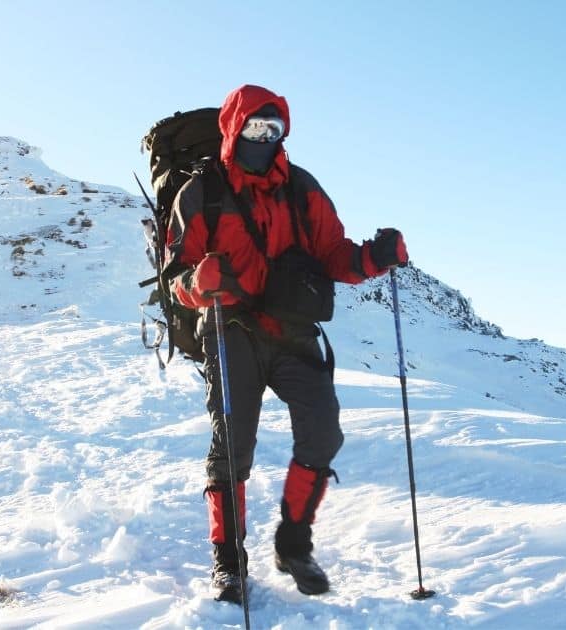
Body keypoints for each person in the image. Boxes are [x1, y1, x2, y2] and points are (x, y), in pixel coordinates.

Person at [164, 84, 409, 600]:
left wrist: (374, 258)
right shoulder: (201, 193)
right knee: (233, 447)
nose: (265, 137)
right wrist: (197, 283)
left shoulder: (302, 189)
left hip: (292, 328)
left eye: (274, 130)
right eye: (255, 127)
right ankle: (228, 562)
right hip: (229, 328)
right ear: (234, 129)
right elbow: (176, 280)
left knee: (322, 434)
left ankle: (293, 543)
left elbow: (333, 254)